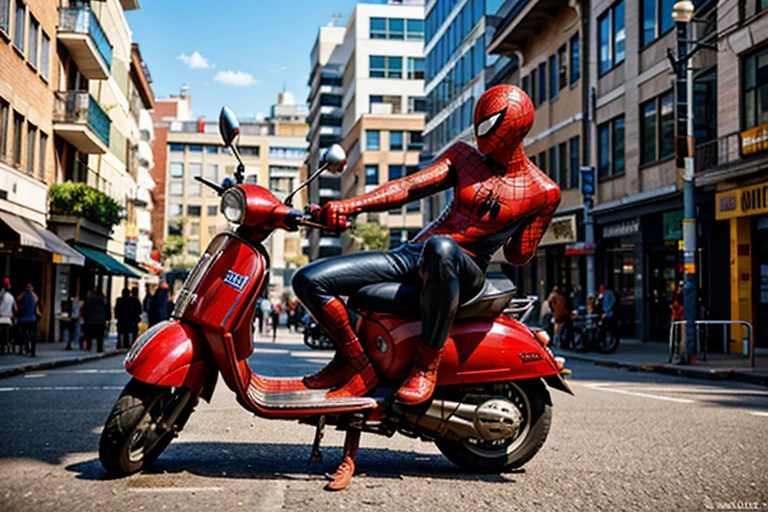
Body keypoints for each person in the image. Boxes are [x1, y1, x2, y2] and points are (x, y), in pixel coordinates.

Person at [292, 84, 561, 404]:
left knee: (443, 248)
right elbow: (407, 187)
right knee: (309, 280)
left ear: (517, 128)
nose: (481, 138)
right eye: (480, 127)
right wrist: (349, 206)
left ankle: (426, 365)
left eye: (489, 128)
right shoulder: (463, 157)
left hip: (467, 268)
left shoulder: (543, 192)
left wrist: (517, 219)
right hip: (413, 256)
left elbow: (518, 255)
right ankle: (355, 363)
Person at [16, 283, 39, 357]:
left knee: (24, 333)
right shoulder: (32, 295)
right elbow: (37, 299)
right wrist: (31, 291)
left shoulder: (23, 295)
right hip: (31, 318)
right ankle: (31, 350)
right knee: (31, 334)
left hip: (23, 318)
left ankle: (23, 348)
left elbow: (17, 299)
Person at [0, 278, 16, 355]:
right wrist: (11, 313)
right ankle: (8, 345)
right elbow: (16, 309)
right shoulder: (11, 297)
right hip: (8, 319)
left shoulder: (1, 295)